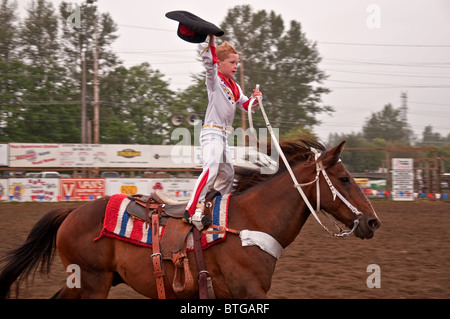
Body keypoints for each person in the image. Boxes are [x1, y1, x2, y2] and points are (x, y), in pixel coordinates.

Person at [184, 34, 263, 230]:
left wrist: (257, 100)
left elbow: (247, 106)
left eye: (237, 62)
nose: (236, 66)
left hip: (223, 136)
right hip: (211, 133)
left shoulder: (234, 86)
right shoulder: (214, 81)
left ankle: (215, 207)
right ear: (219, 64)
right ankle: (191, 209)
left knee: (228, 174)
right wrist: (211, 40)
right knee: (211, 169)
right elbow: (208, 64)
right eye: (232, 62)